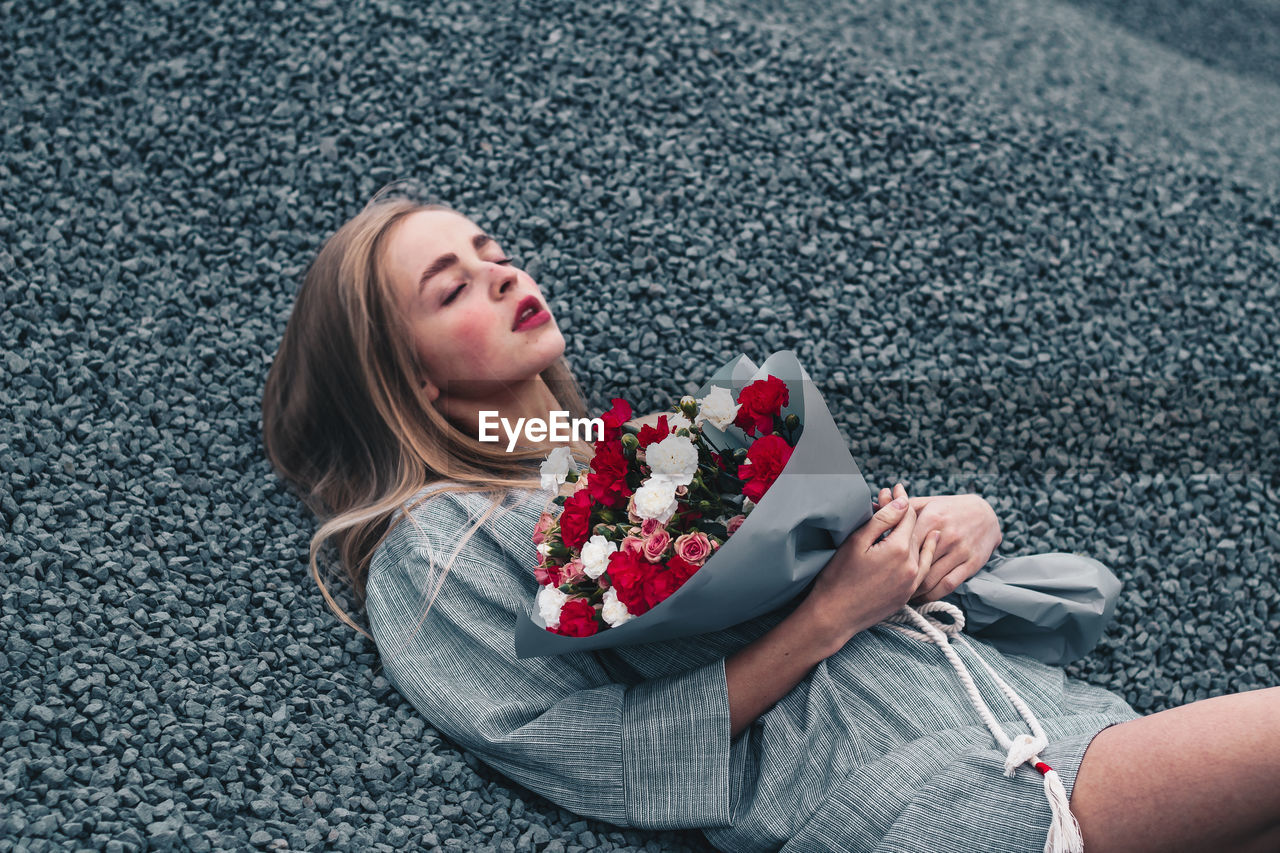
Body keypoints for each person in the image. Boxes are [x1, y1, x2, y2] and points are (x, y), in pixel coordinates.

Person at [261, 188, 1280, 853]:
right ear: (414, 381)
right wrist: (827, 615)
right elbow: (589, 752)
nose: (502, 272)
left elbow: (854, 573)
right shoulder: (431, 544)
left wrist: (948, 531)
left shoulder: (632, 452)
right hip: (946, 796)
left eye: (491, 251)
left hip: (1039, 721)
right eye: (453, 289)